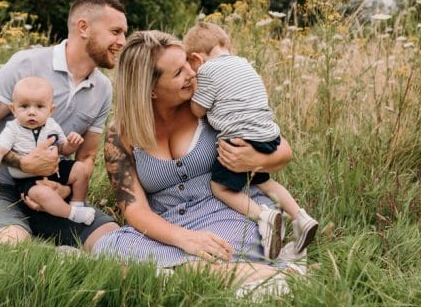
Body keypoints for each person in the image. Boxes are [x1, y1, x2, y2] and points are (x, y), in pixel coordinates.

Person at [92, 30, 294, 285]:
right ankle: (238, 275)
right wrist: (182, 237)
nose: (191, 73)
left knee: (209, 257)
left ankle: (281, 277)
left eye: (187, 62)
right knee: (108, 248)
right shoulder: (121, 135)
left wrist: (253, 158)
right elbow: (135, 209)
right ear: (150, 89)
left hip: (232, 211)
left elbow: (284, 151)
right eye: (178, 72)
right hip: (170, 224)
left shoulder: (207, 104)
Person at [0, 0, 127, 249]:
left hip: (52, 190)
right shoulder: (25, 64)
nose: (122, 41)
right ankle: (17, 232)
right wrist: (23, 163)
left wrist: (64, 191)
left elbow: (86, 156)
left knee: (112, 238)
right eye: (115, 32)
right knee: (13, 244)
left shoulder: (103, 88)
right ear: (83, 27)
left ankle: (53, 237)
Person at [183, 22, 318, 259]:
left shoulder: (207, 71)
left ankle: (263, 217)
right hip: (268, 134)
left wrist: (196, 91)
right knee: (264, 182)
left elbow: (197, 110)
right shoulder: (244, 63)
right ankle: (300, 217)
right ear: (225, 44)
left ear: (197, 58)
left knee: (220, 187)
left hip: (239, 140)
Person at [0, 76, 96, 225]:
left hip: (56, 169)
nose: (31, 112)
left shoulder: (51, 125)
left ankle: (77, 204)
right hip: (28, 178)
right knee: (42, 194)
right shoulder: (13, 129)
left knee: (80, 169)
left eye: (39, 107)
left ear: (51, 110)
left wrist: (71, 145)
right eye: (24, 106)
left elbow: (63, 149)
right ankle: (71, 214)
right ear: (13, 109)